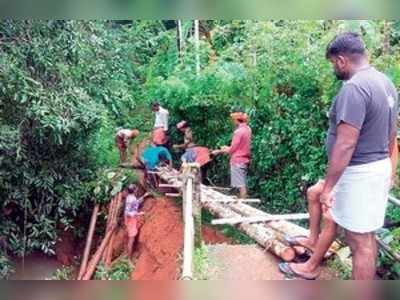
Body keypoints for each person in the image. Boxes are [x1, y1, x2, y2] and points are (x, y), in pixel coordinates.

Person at [279, 32, 398, 280]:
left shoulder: (354, 88)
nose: (334, 68)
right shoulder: (385, 83)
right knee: (365, 237)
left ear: (342, 60)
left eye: (333, 63)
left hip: (359, 172)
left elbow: (345, 144)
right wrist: (391, 169)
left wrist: (328, 188)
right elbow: (391, 132)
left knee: (359, 242)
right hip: (376, 168)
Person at [212, 111, 252, 198]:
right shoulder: (248, 129)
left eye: (233, 120)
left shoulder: (238, 132)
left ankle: (243, 204)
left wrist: (219, 151)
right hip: (245, 158)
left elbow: (232, 149)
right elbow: (239, 146)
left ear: (237, 121)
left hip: (238, 160)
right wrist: (226, 148)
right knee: (242, 182)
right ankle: (242, 201)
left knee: (241, 185)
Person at [124, 184, 150, 258]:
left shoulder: (131, 197)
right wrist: (138, 213)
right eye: (136, 189)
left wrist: (144, 196)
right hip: (131, 220)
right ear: (135, 190)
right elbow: (127, 212)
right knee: (131, 239)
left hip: (132, 220)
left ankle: (129, 254)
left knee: (132, 237)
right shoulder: (130, 199)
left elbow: (136, 203)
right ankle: (129, 258)